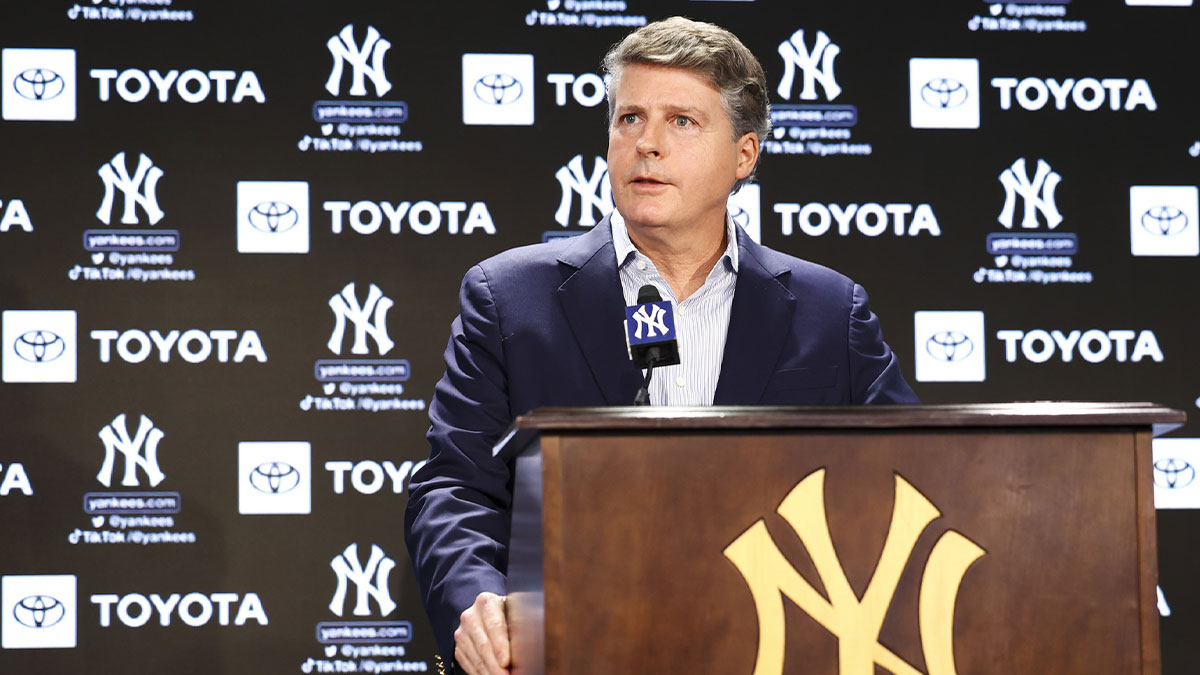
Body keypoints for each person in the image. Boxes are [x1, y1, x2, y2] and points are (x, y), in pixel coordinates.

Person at [404, 16, 918, 675]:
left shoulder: (828, 312)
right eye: (628, 119)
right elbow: (454, 485)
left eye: (682, 121)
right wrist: (476, 596)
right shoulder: (508, 298)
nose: (647, 144)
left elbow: (905, 487)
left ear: (744, 155)